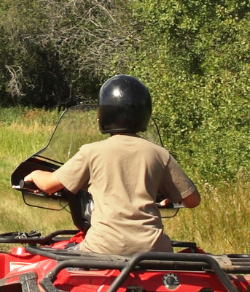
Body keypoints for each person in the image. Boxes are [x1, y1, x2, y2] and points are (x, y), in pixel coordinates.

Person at [24, 75, 201, 255]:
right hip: (154, 250)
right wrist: (171, 195)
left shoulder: (92, 152)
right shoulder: (160, 154)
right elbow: (192, 200)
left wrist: (34, 174)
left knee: (54, 260)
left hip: (102, 248)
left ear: (104, 114)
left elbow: (49, 185)